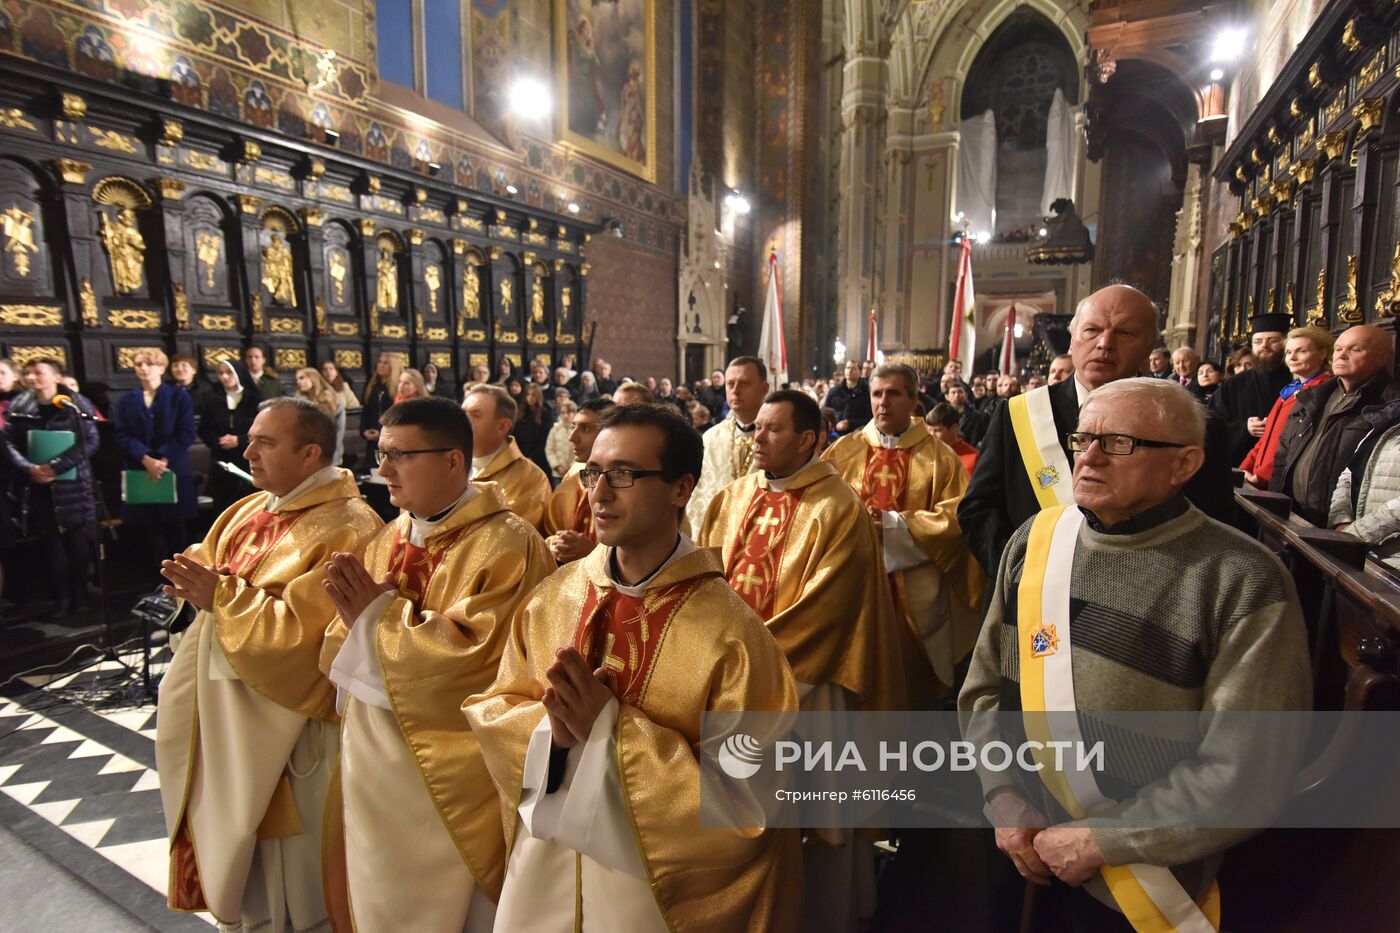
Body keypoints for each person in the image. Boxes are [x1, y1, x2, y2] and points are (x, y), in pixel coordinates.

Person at [959, 378, 1311, 931]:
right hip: (1018, 845)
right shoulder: (1034, 539)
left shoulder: (1241, 577)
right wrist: (1002, 793)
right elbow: (983, 688)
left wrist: (1102, 840)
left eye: (1119, 443)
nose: (1089, 458)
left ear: (1184, 464)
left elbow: (1246, 770)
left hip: (1140, 880)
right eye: (1083, 440)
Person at [464, 403, 801, 932]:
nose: (597, 494)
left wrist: (611, 732)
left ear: (680, 488)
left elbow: (748, 804)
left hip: (646, 896)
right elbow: (495, 707)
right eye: (593, 473)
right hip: (543, 872)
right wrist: (552, 737)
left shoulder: (733, 636)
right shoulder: (555, 596)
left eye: (623, 475)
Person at [321, 397, 551, 932]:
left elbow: (481, 663)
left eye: (400, 456)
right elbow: (339, 637)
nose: (384, 470)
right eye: (381, 454)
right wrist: (362, 619)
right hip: (372, 756)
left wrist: (378, 617)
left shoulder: (508, 544)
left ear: (452, 461)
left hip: (451, 769)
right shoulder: (391, 535)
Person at [156, 397, 382, 932]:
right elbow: (207, 565)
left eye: (265, 442)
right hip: (226, 714)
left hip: (290, 730)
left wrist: (221, 597)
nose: (249, 452)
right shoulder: (249, 509)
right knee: (248, 861)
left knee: (295, 873)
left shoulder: (350, 526)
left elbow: (311, 638)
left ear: (310, 454)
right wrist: (192, 585)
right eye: (252, 439)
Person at [698, 389, 914, 931]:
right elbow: (703, 581)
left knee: (817, 811)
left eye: (772, 429)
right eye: (757, 427)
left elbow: (827, 609)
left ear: (808, 440)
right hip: (730, 683)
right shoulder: (733, 497)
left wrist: (743, 663)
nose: (757, 438)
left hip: (809, 683)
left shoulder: (837, 507)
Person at [958, 284, 1235, 580]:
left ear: (1149, 347)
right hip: (1029, 595)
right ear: (1071, 341)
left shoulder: (1192, 424)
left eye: (1124, 333)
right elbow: (979, 509)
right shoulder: (1018, 413)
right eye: (1092, 330)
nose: (1105, 343)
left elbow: (1211, 524)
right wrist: (1023, 577)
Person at [822, 365, 984, 691]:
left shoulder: (940, 458)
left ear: (913, 400)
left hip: (914, 588)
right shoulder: (842, 452)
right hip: (853, 580)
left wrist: (895, 526)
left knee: (909, 682)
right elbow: (820, 510)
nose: (883, 402)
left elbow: (956, 518)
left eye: (893, 393)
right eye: (877, 394)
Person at [1270, 323, 1400, 525]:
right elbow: (1283, 454)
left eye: (1355, 349)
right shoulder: (1312, 396)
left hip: (1338, 525)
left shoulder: (1391, 405)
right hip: (1290, 515)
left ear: (1382, 358)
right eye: (1338, 349)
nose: (1341, 355)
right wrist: (1274, 503)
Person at [2, 357, 100, 612]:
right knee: (52, 543)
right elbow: (8, 442)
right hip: (38, 484)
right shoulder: (19, 405)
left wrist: (57, 466)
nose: (32, 377)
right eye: (28, 373)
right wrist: (29, 468)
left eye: (38, 372)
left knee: (77, 542)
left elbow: (89, 441)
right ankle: (62, 596)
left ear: (56, 376)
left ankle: (81, 595)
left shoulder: (74, 403)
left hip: (72, 484)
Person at [113, 348, 198, 576]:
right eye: (139, 364)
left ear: (161, 368)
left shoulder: (179, 396)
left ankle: (180, 580)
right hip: (140, 468)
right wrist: (145, 458)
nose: (143, 368)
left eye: (149, 364)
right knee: (150, 530)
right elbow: (122, 435)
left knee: (175, 527)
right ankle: (158, 580)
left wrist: (163, 459)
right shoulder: (127, 400)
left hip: (172, 467)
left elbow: (186, 433)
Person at [1240, 327, 1333, 487]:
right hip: (1259, 480)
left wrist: (1263, 476)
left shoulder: (1322, 390)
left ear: (1323, 353)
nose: (1292, 358)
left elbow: (1295, 443)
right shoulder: (1290, 390)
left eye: (1301, 351)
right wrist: (1245, 469)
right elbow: (1267, 437)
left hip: (1280, 481)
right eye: (1289, 352)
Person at [685, 356, 769, 530]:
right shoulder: (711, 438)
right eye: (730, 384)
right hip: (718, 532)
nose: (735, 391)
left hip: (763, 529)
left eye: (744, 383)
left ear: (764, 389)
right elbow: (699, 497)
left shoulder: (779, 436)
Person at [462, 384, 552, 530]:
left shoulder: (530, 478)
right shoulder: (447, 465)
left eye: (476, 415)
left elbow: (514, 535)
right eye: (462, 413)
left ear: (503, 426)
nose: (462, 421)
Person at [543, 397, 616, 567]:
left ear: (609, 433)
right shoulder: (575, 472)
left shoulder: (628, 480)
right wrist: (557, 544)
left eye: (585, 428)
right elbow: (550, 530)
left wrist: (592, 553)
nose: (572, 437)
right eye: (573, 427)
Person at [1209, 313, 1291, 464]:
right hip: (1240, 464)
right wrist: (1244, 428)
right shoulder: (1233, 384)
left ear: (1285, 343)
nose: (1264, 346)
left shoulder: (1296, 379)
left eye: (1272, 341)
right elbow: (1212, 425)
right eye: (1258, 341)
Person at [1330, 396, 1400, 571]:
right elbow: (1349, 473)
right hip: (1360, 556)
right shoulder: (1389, 418)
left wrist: (1355, 534)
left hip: (1392, 565)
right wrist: (1340, 520)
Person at [199, 360, 262, 516]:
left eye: (229, 372)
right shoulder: (212, 400)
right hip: (221, 458)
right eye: (220, 373)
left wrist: (239, 440)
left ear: (239, 373)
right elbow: (204, 429)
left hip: (247, 457)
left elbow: (262, 429)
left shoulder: (254, 400)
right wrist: (217, 441)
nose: (224, 377)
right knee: (222, 504)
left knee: (248, 505)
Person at [296, 367, 346, 467]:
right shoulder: (299, 402)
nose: (298, 382)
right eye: (297, 379)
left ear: (313, 378)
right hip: (307, 455)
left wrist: (332, 454)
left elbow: (338, 430)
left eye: (302, 378)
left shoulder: (331, 400)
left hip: (329, 453)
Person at [360, 353, 402, 460]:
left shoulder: (398, 388)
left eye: (385, 363)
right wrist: (364, 430)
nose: (381, 365)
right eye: (379, 362)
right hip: (372, 437)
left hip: (391, 439)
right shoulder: (372, 385)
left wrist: (382, 433)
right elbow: (366, 410)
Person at [512, 382, 554, 480]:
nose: (530, 398)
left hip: (539, 457)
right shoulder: (520, 414)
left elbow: (545, 439)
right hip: (521, 456)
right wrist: (519, 456)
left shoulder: (545, 414)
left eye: (533, 395)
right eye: (528, 394)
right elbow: (514, 436)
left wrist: (533, 457)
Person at [927, 402, 980, 477]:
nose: (932, 435)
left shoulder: (973, 458)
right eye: (929, 430)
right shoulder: (926, 454)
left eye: (937, 430)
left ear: (954, 428)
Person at [821, 360, 872, 436]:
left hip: (857, 434)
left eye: (854, 368)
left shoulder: (867, 392)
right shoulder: (834, 391)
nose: (850, 371)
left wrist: (850, 423)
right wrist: (834, 423)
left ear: (860, 372)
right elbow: (826, 413)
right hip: (835, 434)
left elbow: (870, 418)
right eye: (847, 368)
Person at [545, 397, 578, 479]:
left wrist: (572, 467)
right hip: (558, 473)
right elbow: (549, 449)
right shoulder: (555, 429)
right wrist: (557, 466)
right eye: (563, 413)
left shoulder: (578, 430)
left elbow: (581, 450)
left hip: (574, 472)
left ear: (574, 413)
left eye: (568, 412)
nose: (565, 415)